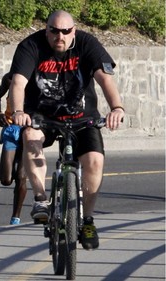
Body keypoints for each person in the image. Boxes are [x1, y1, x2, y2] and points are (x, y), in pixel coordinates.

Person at [9, 10, 125, 250]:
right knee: (31, 136)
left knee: (94, 161)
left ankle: (88, 220)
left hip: (82, 117)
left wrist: (117, 107)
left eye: (65, 31)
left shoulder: (86, 43)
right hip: (43, 114)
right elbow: (18, 82)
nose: (59, 36)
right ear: (46, 29)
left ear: (74, 31)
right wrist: (18, 111)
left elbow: (105, 79)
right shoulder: (31, 45)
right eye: (53, 30)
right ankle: (41, 199)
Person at [0, 72, 27, 225]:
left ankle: (15, 217)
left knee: (21, 177)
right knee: (6, 179)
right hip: (11, 130)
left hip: (29, 131)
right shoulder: (8, 79)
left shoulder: (36, 79)